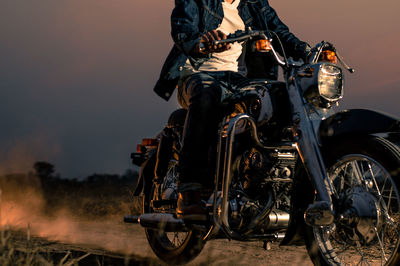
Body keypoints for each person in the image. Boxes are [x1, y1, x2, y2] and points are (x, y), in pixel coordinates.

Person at [153, 0, 310, 221]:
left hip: (237, 79)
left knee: (279, 98)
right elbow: (183, 29)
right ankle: (189, 191)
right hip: (198, 74)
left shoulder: (254, 4)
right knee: (207, 96)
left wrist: (308, 51)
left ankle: (258, 180)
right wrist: (201, 43)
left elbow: (279, 31)